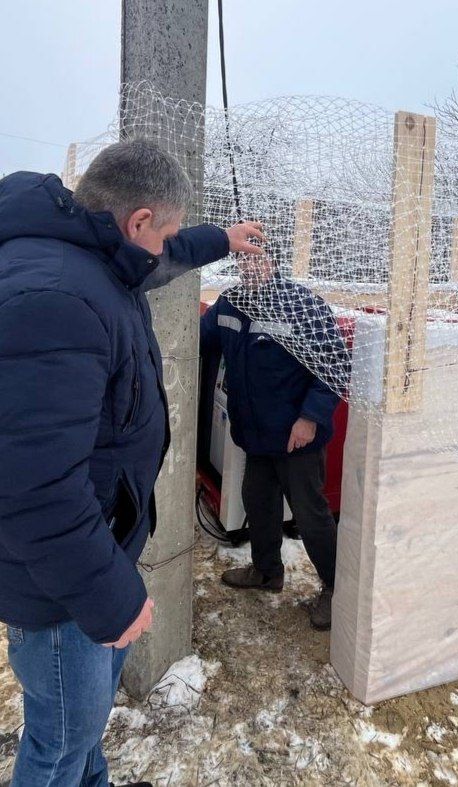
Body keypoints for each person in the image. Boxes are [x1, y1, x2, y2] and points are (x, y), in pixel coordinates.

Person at [0, 139, 264, 787]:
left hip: (87, 556)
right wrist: (113, 597)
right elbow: (35, 488)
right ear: (138, 221)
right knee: (60, 741)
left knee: (82, 733)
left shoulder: (87, 253)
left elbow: (164, 260)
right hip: (63, 587)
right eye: (163, 229)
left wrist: (220, 239)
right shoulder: (58, 298)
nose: (164, 248)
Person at [200, 252, 349, 630]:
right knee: (258, 501)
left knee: (310, 514)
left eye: (258, 259)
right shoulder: (230, 302)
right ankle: (267, 572)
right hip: (255, 434)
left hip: (296, 436)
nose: (250, 267)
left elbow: (333, 363)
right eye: (243, 260)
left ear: (274, 262)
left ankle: (337, 589)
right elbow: (200, 338)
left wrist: (310, 418)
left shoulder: (301, 304)